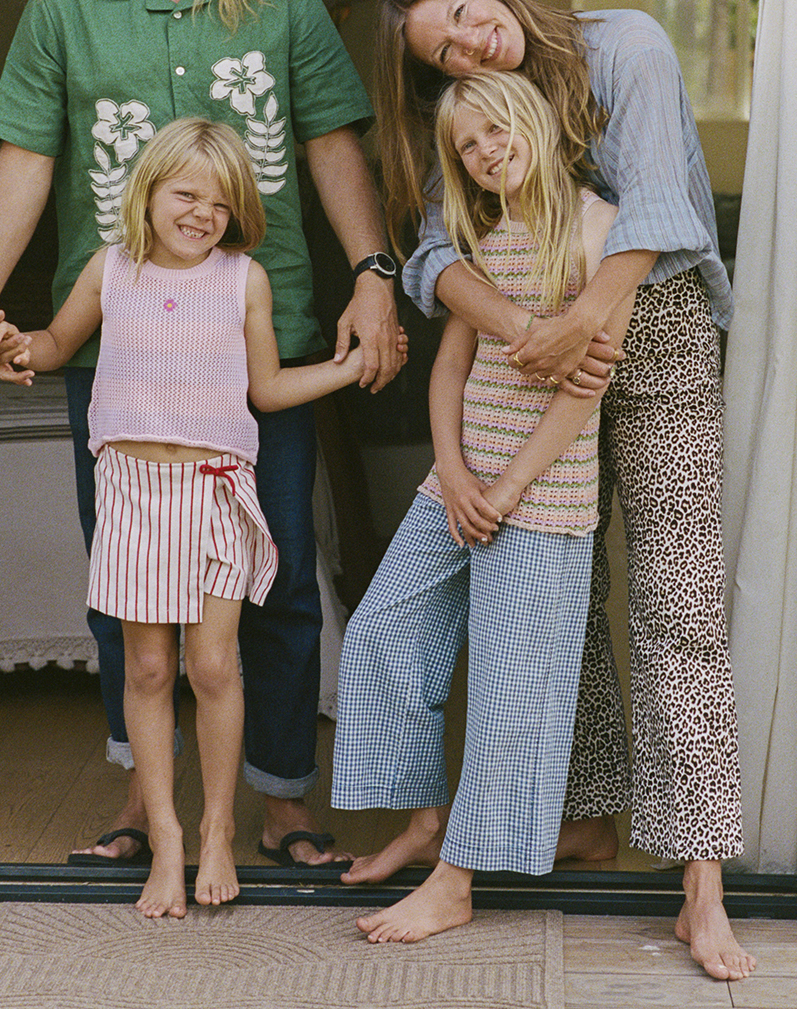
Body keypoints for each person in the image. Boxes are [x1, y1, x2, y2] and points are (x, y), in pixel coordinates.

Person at [0, 0, 401, 870]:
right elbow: (26, 159)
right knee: (127, 579)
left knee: (280, 573)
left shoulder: (285, 1)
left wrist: (374, 272)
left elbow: (336, 141)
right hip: (121, 352)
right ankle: (140, 796)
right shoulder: (63, 10)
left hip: (272, 328)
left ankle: (282, 798)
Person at [365, 0, 755, 981]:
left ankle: (700, 883)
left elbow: (661, 202)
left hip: (655, 325)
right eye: (443, 55)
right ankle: (580, 818)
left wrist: (583, 321)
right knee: (552, 596)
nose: (469, 45)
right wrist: (524, 328)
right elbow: (432, 252)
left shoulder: (623, 42)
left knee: (679, 603)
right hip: (532, 343)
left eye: (462, 18)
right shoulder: (470, 124)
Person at [0, 119, 406, 918]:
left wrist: (348, 367)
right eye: (186, 194)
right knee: (146, 670)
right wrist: (10, 343)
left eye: (220, 202)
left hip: (214, 491)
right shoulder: (109, 271)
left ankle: (217, 830)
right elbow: (54, 343)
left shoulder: (242, 280)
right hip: (134, 493)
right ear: (148, 194)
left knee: (213, 668)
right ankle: (167, 839)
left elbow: (268, 390)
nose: (202, 213)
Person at [332, 72, 633, 943]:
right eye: (468, 145)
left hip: (541, 502)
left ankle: (458, 880)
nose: (487, 151)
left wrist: (504, 490)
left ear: (534, 122)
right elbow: (451, 369)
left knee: (513, 692)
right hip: (459, 485)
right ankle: (426, 824)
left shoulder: (596, 231)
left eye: (498, 130)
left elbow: (585, 392)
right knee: (384, 629)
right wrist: (454, 473)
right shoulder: (483, 233)